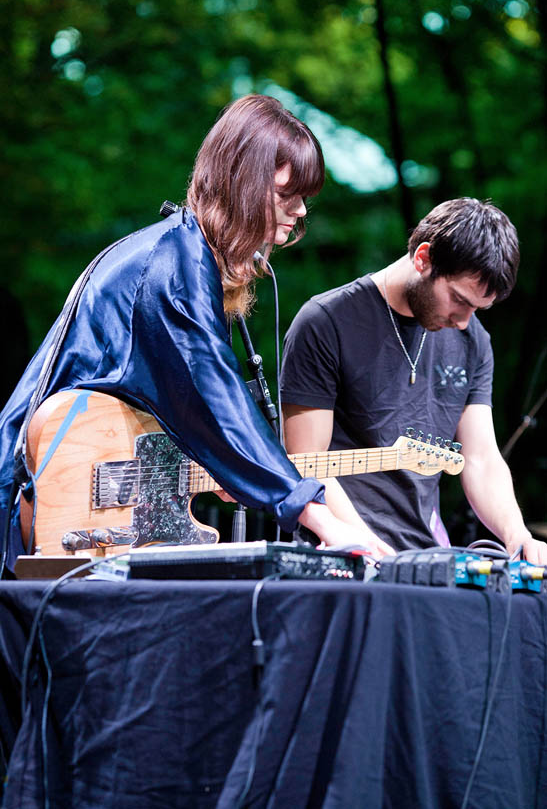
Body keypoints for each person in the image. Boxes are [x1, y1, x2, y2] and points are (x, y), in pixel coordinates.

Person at [0, 94, 394, 575]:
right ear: (241, 183)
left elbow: (175, 404)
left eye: (304, 200)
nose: (299, 213)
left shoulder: (184, 258)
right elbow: (215, 398)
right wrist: (320, 520)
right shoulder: (172, 268)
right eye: (286, 196)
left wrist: (227, 466)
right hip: (43, 497)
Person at [281, 197, 547, 565]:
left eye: (477, 309)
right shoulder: (325, 321)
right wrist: (365, 545)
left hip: (424, 555)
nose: (464, 321)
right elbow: (306, 460)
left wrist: (517, 535)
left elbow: (481, 457)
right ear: (423, 258)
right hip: (338, 552)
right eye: (458, 299)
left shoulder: (474, 342)